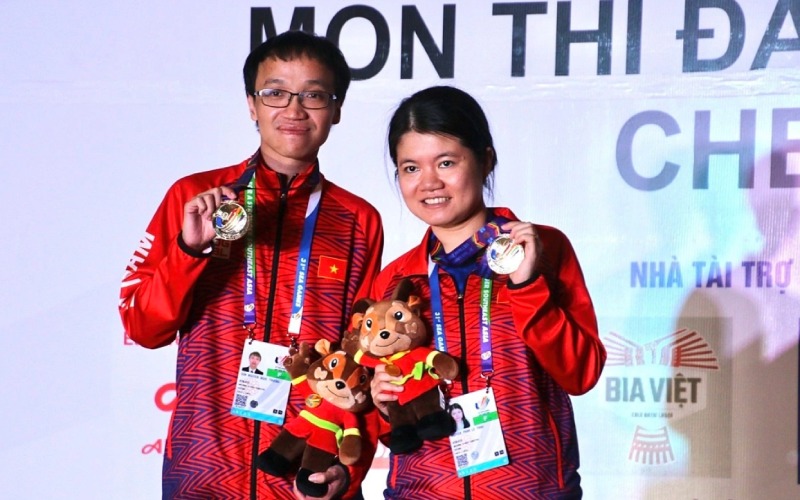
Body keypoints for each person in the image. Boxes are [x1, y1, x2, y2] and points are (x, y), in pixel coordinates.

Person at [119, 31, 384, 500]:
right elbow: (144, 326)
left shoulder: (357, 220)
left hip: (307, 473)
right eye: (275, 93)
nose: (294, 109)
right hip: (204, 474)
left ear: (337, 109)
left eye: (313, 95)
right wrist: (189, 251)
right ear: (251, 105)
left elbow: (365, 360)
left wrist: (351, 472)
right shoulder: (195, 198)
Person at [369, 86, 606, 499]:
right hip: (422, 490)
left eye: (446, 162)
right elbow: (391, 429)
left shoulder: (542, 249)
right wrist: (383, 401)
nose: (429, 182)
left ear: (486, 159)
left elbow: (580, 372)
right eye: (410, 168)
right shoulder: (397, 280)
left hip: (531, 489)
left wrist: (526, 286)